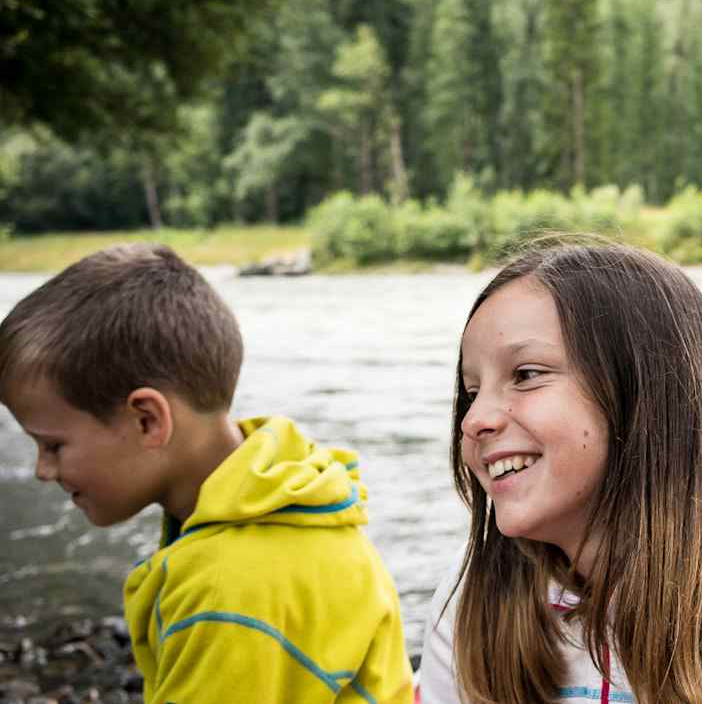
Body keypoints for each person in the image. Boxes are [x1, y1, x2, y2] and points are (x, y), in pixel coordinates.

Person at [418, 238, 702, 704]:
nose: (475, 419)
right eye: (472, 390)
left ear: (645, 396)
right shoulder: (471, 598)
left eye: (526, 375)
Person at [0, 243, 413, 703]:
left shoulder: (228, 591)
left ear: (147, 420)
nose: (42, 470)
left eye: (52, 445)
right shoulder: (290, 498)